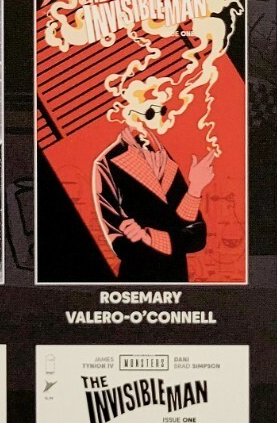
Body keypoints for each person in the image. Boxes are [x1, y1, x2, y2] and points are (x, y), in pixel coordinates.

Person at [92, 74, 214, 282]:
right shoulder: (107, 163)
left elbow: (197, 235)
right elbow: (123, 246)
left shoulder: (165, 158)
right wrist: (170, 237)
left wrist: (195, 188)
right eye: (151, 112)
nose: (160, 118)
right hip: (138, 279)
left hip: (176, 278)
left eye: (162, 110)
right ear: (130, 114)